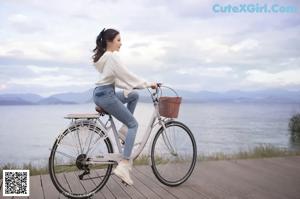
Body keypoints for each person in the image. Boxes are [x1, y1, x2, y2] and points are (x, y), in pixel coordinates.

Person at [92, 28, 157, 185]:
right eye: (119, 40)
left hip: (101, 93)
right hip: (107, 95)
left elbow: (118, 79)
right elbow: (127, 75)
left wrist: (134, 87)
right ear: (110, 42)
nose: (121, 43)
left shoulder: (106, 57)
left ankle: (123, 131)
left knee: (134, 95)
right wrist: (147, 83)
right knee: (134, 124)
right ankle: (125, 165)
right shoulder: (113, 57)